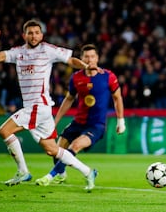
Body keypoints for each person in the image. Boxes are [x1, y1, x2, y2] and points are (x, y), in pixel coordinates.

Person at [0, 19, 101, 191]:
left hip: (38, 106)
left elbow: (70, 60)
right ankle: (87, 171)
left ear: (42, 34)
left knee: (4, 130)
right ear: (24, 35)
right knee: (52, 149)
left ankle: (22, 171)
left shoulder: (48, 50)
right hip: (39, 109)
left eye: (37, 33)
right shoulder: (18, 52)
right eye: (30, 33)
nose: (34, 36)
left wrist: (86, 66)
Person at [35, 44, 126, 186]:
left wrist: (121, 121)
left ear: (97, 58)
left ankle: (50, 176)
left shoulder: (108, 76)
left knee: (76, 145)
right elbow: (69, 99)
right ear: (82, 59)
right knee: (56, 150)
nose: (90, 60)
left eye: (92, 56)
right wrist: (55, 122)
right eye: (86, 57)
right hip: (78, 122)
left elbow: (117, 97)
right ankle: (61, 174)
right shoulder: (76, 77)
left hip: (96, 125)